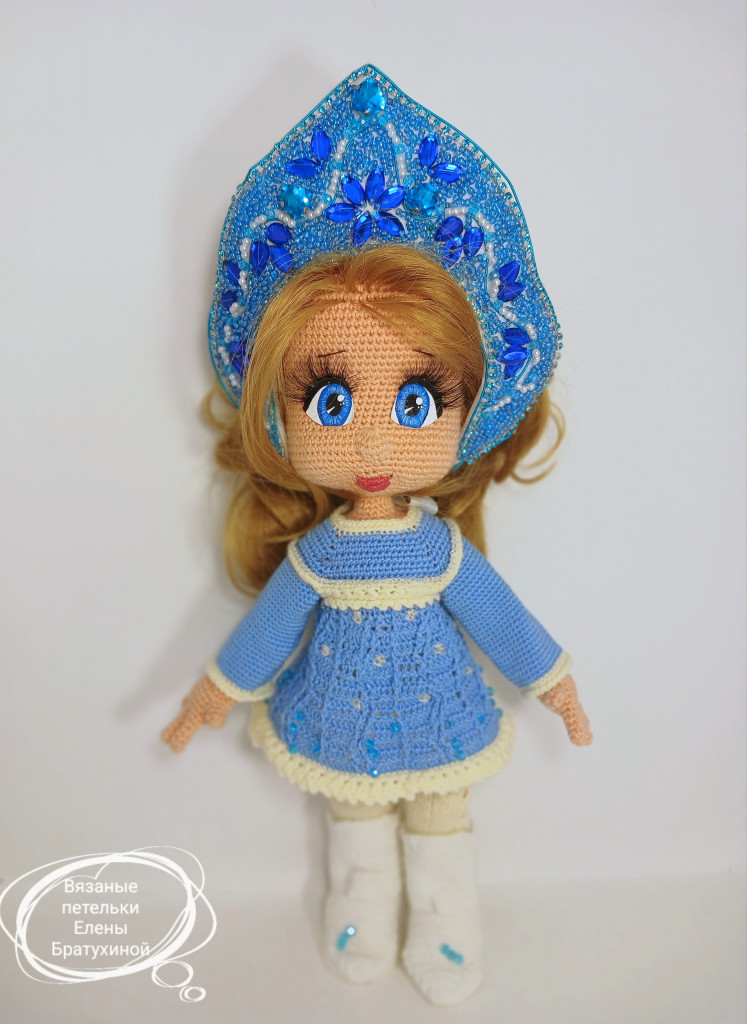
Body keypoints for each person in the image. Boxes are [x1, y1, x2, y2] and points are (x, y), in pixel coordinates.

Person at [162, 68, 592, 1007]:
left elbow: (499, 615)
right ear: (276, 413)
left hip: (441, 714)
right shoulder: (317, 557)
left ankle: (445, 916)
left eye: (414, 402)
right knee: (352, 817)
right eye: (328, 400)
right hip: (341, 715)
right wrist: (214, 692)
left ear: (468, 410)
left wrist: (550, 678)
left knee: (442, 814)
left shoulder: (438, 551)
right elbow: (269, 631)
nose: (368, 444)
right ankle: (359, 898)